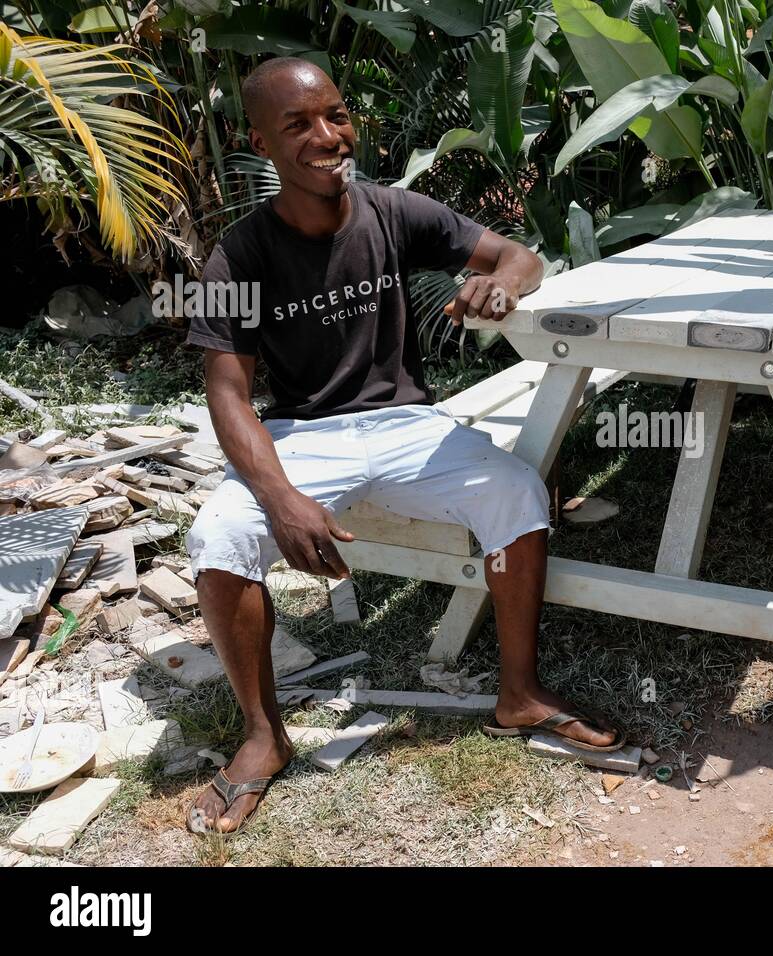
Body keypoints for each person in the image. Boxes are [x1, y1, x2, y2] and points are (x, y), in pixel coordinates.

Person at [184, 57, 621, 835]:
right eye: (298, 125)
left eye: (336, 115)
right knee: (219, 536)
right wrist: (281, 499)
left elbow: (520, 256)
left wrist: (503, 284)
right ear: (260, 143)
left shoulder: (392, 210)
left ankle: (519, 695)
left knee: (516, 491)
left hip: (407, 425)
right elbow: (228, 394)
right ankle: (263, 735)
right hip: (302, 435)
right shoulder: (240, 255)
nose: (327, 137)